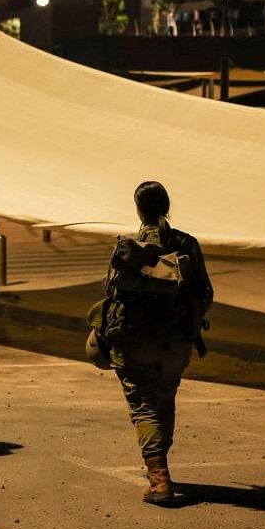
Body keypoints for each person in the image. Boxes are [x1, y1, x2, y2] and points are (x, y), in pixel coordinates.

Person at [105, 181, 212, 506]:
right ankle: (160, 466)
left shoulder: (129, 245)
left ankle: (159, 478)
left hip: (135, 340)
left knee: (144, 405)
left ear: (138, 209)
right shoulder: (186, 243)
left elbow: (110, 288)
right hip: (176, 341)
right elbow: (204, 294)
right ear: (167, 206)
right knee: (164, 401)